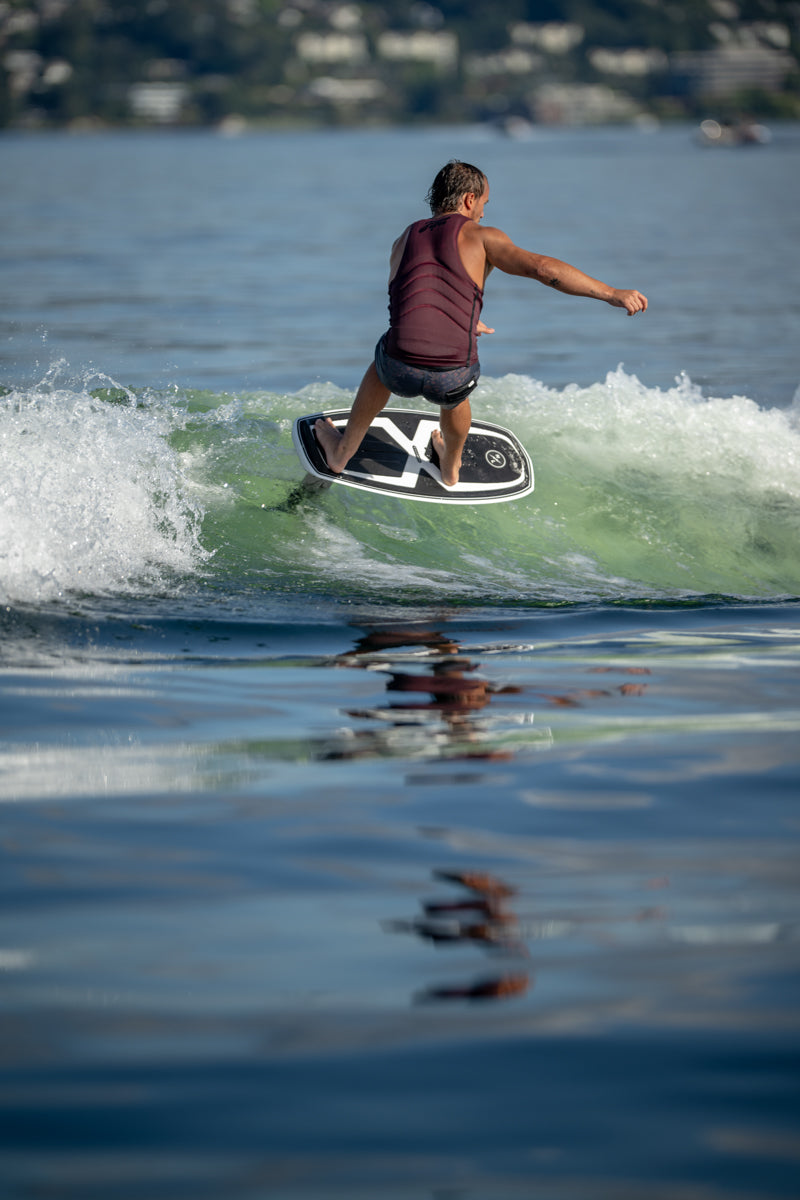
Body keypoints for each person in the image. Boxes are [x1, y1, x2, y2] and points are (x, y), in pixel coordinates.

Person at [314, 160, 647, 487]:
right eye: (484, 203)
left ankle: (342, 452)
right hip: (451, 378)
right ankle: (451, 464)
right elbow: (543, 269)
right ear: (469, 200)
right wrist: (610, 293)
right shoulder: (481, 235)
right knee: (455, 393)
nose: (484, 212)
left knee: (382, 359)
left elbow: (410, 303)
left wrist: (464, 320)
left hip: (397, 371)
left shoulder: (403, 238)